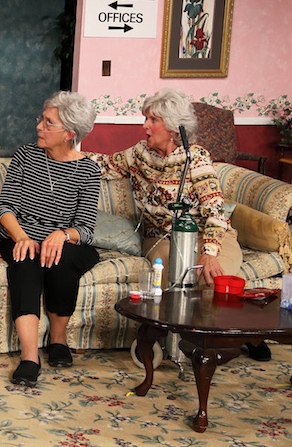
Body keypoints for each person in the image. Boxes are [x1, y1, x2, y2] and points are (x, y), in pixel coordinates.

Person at [87, 88, 270, 361]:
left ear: (174, 127)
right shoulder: (139, 154)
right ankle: (190, 344)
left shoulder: (195, 158)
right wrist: (61, 152)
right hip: (162, 237)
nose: (145, 126)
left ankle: (243, 334)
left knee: (215, 278)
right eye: (146, 118)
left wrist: (209, 253)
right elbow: (101, 164)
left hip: (209, 235)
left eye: (153, 120)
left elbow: (215, 209)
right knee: (180, 275)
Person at [0, 91, 100, 387]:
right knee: (25, 259)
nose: (39, 126)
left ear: (69, 134)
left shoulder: (89, 170)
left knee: (62, 257)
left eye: (48, 123)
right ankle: (30, 357)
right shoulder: (26, 156)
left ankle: (58, 338)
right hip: (22, 236)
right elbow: (4, 207)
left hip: (62, 243)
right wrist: (21, 237)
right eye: (41, 119)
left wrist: (62, 234)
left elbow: (86, 228)